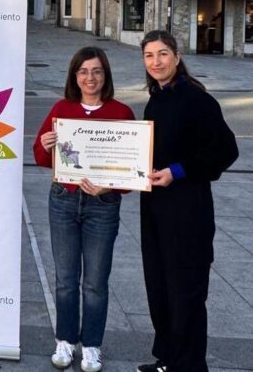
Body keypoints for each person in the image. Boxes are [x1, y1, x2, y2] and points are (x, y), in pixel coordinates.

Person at [137, 31, 238, 372]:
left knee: (186, 292)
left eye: (163, 53)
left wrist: (177, 172)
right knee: (160, 287)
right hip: (156, 209)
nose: (156, 62)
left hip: (188, 210)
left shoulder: (197, 100)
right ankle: (168, 359)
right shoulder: (156, 100)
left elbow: (225, 150)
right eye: (149, 55)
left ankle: (190, 366)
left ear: (177, 57)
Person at [33, 46, 135, 372]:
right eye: (83, 72)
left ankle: (91, 345)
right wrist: (44, 145)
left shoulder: (121, 113)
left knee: (95, 282)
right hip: (64, 200)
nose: (90, 78)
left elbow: (132, 171)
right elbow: (40, 157)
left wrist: (111, 185)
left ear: (106, 75)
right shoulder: (62, 109)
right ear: (74, 77)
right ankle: (65, 340)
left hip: (102, 205)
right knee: (65, 279)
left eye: (96, 71)